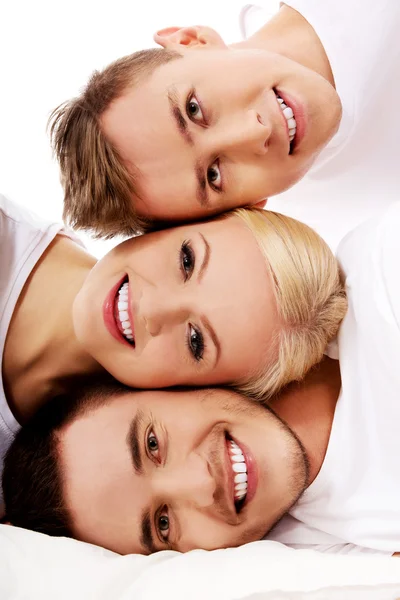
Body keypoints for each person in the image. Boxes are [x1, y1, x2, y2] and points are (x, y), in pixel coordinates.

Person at [4, 201, 400, 557]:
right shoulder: (303, 552)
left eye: (153, 444)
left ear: (164, 386)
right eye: (162, 524)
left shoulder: (380, 279)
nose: (202, 484)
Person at [48, 0, 399, 241]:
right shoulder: (344, 237)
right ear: (249, 204)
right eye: (214, 176)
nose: (255, 131)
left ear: (192, 40)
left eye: (194, 109)